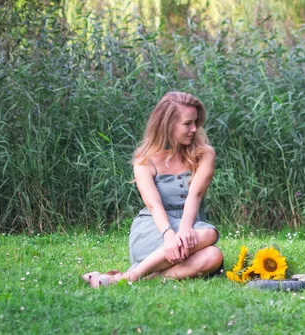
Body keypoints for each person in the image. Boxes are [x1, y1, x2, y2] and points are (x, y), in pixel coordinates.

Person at [83, 92, 224, 287]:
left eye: (195, 123)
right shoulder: (144, 160)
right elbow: (154, 204)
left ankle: (139, 277)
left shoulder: (205, 154)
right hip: (155, 227)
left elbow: (196, 194)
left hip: (190, 228)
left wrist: (184, 229)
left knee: (213, 254)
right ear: (168, 125)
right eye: (187, 124)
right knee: (208, 234)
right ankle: (133, 275)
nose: (194, 129)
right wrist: (169, 236)